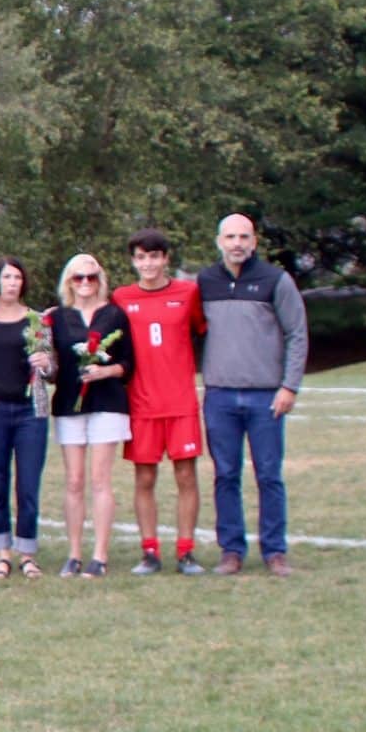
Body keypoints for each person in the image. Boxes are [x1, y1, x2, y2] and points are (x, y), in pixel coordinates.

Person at [197, 212, 308, 575]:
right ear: (219, 241)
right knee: (225, 474)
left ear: (255, 241)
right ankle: (231, 550)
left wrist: (289, 385)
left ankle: (275, 551)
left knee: (269, 475)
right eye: (230, 237)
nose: (237, 244)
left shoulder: (276, 280)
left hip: (265, 397)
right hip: (220, 397)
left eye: (244, 237)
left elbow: (296, 333)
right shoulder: (205, 282)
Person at [112, 230, 208, 576]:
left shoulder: (188, 292)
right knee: (145, 479)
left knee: (186, 476)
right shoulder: (121, 297)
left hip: (180, 401)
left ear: (166, 259)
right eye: (141, 257)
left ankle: (186, 552)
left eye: (154, 256)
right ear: (133, 261)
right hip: (141, 403)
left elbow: (202, 330)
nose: (148, 264)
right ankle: (149, 551)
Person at [49, 254, 131, 577]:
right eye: (78, 278)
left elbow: (129, 364)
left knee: (100, 480)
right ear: (68, 281)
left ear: (100, 280)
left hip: (107, 402)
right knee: (73, 480)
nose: (85, 283)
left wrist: (104, 371)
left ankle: (100, 556)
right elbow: (53, 365)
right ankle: (74, 554)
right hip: (69, 403)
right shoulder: (57, 317)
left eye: (91, 277)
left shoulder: (115, 315)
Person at [0, 257, 53, 579]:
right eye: (6, 277)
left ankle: (27, 555)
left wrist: (46, 364)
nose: (12, 283)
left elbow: (51, 371)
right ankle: (2, 554)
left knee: (27, 486)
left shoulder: (36, 321)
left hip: (30, 414)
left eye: (17, 277)